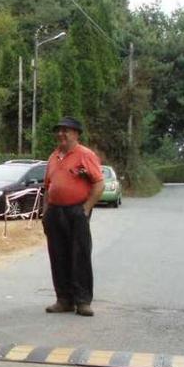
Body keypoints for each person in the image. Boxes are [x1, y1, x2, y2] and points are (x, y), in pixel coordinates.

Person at [41, 117, 104, 317]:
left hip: (76, 211)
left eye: (66, 131)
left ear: (76, 134)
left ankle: (83, 301)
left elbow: (98, 184)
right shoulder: (53, 157)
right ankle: (64, 299)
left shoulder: (85, 155)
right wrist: (45, 212)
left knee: (80, 255)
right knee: (58, 255)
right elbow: (47, 187)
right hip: (55, 211)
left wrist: (85, 209)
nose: (61, 134)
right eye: (59, 131)